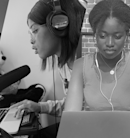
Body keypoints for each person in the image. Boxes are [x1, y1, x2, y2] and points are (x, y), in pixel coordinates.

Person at [10, 0, 86, 137]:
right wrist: (39, 107)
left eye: (35, 30)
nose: (31, 41)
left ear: (59, 24)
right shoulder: (64, 66)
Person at [65, 0, 130, 112]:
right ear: (94, 36)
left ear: (126, 36)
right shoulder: (80, 66)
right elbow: (71, 116)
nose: (110, 43)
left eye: (117, 36)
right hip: (91, 129)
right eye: (102, 36)